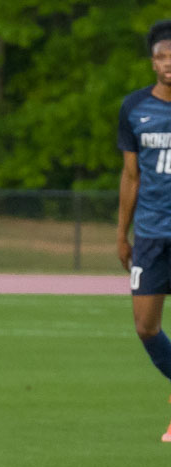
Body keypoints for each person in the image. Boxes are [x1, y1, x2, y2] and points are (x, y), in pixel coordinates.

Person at [118, 19, 171, 441]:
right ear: (151, 62)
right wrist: (122, 234)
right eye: (161, 56)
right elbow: (131, 176)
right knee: (145, 327)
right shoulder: (135, 109)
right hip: (151, 235)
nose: (169, 63)